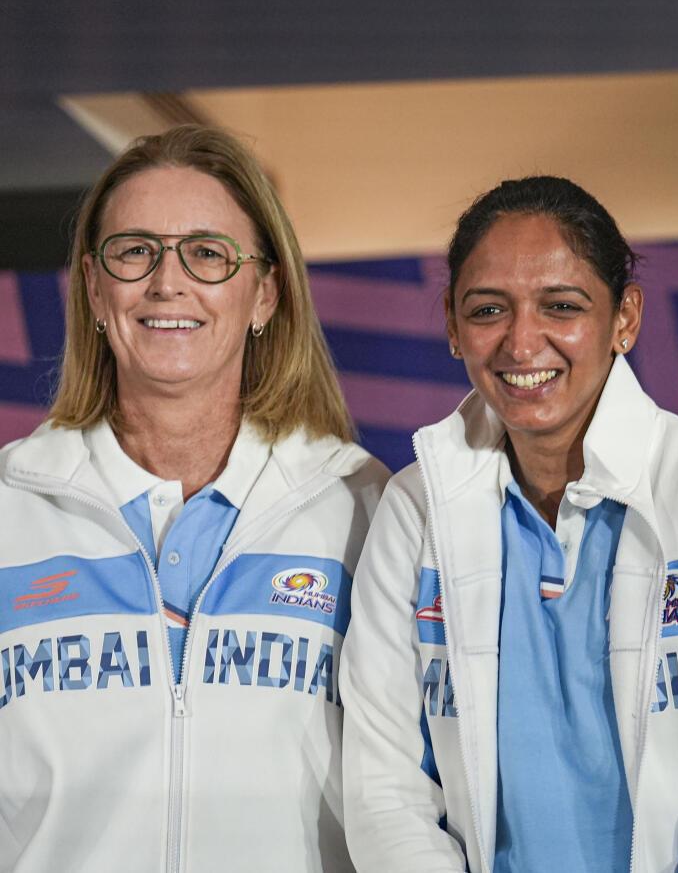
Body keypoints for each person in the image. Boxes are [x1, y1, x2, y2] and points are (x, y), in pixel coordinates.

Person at [340, 175, 678, 873]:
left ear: (625, 318)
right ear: (453, 326)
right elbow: (383, 785)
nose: (522, 341)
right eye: (487, 309)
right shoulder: (415, 508)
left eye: (561, 305)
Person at [0, 125, 389, 871]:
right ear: (93, 287)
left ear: (265, 293)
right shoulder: (12, 507)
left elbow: (418, 789)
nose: (167, 283)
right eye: (135, 251)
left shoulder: (360, 507)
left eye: (207, 253)